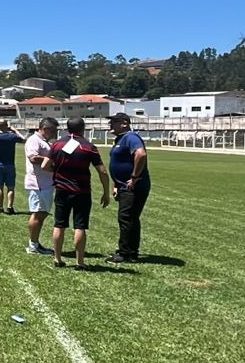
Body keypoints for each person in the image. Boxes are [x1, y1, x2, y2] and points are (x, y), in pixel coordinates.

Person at [45, 116, 110, 269]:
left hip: (61, 190)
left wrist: (57, 171)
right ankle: (79, 262)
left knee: (59, 224)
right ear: (83, 128)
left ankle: (58, 259)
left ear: (67, 128)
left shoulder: (57, 144)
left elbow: (44, 165)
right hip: (82, 191)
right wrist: (106, 192)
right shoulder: (89, 147)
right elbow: (102, 172)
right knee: (80, 226)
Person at [106, 113, 151, 263]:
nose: (110, 125)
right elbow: (118, 164)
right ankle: (131, 251)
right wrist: (116, 184)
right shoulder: (121, 139)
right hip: (124, 186)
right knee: (130, 218)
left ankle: (125, 253)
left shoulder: (131, 137)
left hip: (133, 186)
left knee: (126, 217)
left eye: (114, 122)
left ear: (124, 123)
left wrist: (134, 177)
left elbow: (141, 154)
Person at [23, 117, 58, 254]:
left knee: (41, 213)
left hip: (44, 183)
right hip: (38, 184)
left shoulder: (43, 141)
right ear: (45, 128)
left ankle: (35, 243)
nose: (55, 134)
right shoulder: (34, 140)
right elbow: (33, 158)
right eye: (54, 130)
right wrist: (51, 159)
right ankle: (33, 245)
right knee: (37, 213)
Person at [0, 119, 20, 215]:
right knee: (10, 188)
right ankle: (10, 207)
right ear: (7, 125)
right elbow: (23, 139)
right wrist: (15, 131)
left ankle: (0, 207)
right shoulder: (12, 136)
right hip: (9, 164)